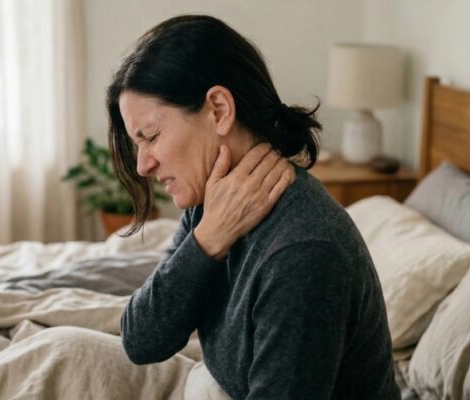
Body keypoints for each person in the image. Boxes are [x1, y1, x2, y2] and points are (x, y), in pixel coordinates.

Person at [107, 15, 400, 399]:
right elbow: (141, 340)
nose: (143, 164)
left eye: (151, 136)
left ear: (218, 109)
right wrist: (208, 239)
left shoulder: (304, 252)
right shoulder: (213, 198)